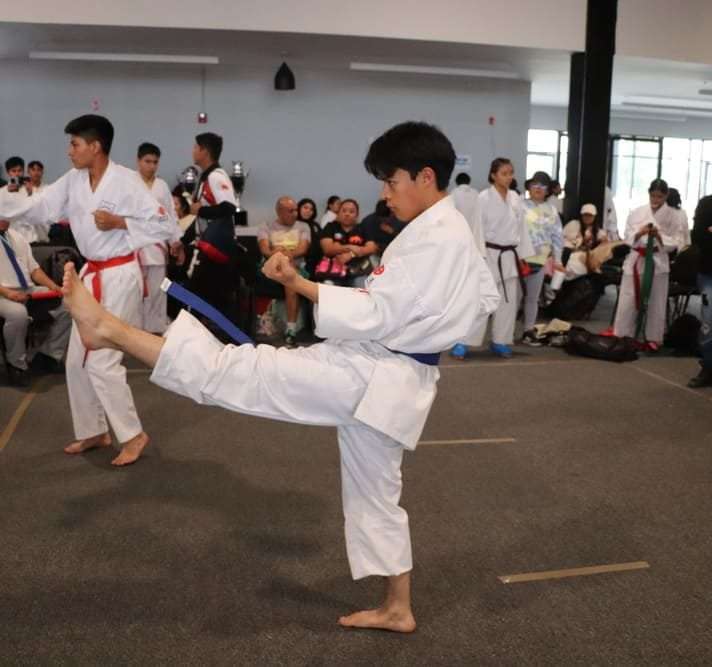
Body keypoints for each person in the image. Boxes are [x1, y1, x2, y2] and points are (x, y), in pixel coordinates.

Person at [60, 120, 499, 633]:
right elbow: (476, 299)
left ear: (425, 176)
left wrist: (300, 284)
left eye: (391, 181)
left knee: (242, 371)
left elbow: (382, 312)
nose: (385, 194)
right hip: (392, 377)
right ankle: (398, 607)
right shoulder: (446, 230)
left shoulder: (438, 238)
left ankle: (110, 330)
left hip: (373, 371)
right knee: (376, 494)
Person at [0, 114, 175, 465]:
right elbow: (39, 207)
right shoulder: (73, 180)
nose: (69, 151)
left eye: (75, 144)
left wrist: (120, 222)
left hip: (120, 275)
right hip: (91, 275)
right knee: (77, 359)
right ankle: (94, 430)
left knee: (102, 359)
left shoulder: (126, 181)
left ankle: (133, 435)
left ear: (95, 146)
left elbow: (165, 225)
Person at [451, 158, 533, 359]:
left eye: (511, 173)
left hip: (510, 255)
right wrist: (478, 256)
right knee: (482, 299)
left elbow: (521, 229)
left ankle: (500, 340)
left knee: (508, 302)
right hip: (488, 254)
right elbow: (477, 228)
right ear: (493, 175)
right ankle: (463, 341)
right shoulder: (483, 198)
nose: (508, 177)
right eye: (504, 173)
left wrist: (522, 256)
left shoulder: (515, 198)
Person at [612, 179, 682, 350]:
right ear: (649, 193)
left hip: (658, 259)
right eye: (653, 196)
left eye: (659, 196)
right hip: (637, 257)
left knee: (657, 300)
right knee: (628, 298)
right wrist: (639, 233)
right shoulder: (637, 212)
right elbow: (628, 236)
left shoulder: (674, 216)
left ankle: (654, 338)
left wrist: (658, 236)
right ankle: (622, 335)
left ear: (666, 196)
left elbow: (677, 241)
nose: (655, 199)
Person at [0, 218, 70, 385]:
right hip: (2, 293)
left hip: (27, 290)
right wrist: (8, 293)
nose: (6, 218)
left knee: (68, 306)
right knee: (18, 314)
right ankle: (17, 364)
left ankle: (49, 356)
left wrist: (53, 286)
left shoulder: (16, 236)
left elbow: (34, 270)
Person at [182, 132, 238, 314]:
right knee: (205, 298)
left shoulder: (216, 176)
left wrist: (200, 210)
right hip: (206, 247)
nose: (192, 151)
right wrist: (182, 241)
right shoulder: (206, 177)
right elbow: (201, 221)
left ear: (204, 151)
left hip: (214, 250)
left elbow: (229, 207)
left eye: (195, 147)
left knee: (204, 299)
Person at [135, 142, 184, 334]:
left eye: (155, 162)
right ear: (138, 161)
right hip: (133, 248)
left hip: (156, 248)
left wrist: (175, 241)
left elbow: (171, 216)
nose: (152, 166)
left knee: (157, 293)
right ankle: (133, 331)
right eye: (147, 161)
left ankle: (155, 331)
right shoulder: (128, 183)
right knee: (134, 293)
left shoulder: (162, 186)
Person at [257, 196, 311, 347]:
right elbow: (265, 249)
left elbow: (303, 249)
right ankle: (286, 328)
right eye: (290, 211)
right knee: (285, 271)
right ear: (279, 211)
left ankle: (291, 329)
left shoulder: (303, 227)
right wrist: (277, 254)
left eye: (295, 210)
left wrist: (286, 254)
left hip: (296, 268)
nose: (295, 214)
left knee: (290, 276)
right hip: (271, 267)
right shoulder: (266, 226)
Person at [520, 172, 564, 346]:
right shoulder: (519, 206)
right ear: (529, 187)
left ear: (548, 190)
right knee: (512, 299)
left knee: (532, 298)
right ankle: (502, 335)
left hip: (539, 260)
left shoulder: (552, 210)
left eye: (542, 185)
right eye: (535, 184)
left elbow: (557, 237)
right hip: (518, 259)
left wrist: (558, 261)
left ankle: (528, 331)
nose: (538, 188)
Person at [319, 199, 378, 286]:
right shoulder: (330, 227)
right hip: (333, 273)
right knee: (328, 289)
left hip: (359, 272)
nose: (347, 214)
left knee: (363, 288)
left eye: (351, 211)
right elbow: (327, 249)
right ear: (338, 213)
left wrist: (350, 254)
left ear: (357, 215)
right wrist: (350, 247)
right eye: (344, 211)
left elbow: (371, 248)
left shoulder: (363, 228)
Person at [688, 195, 712, 387]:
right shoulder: (706, 204)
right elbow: (698, 235)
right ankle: (709, 366)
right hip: (709, 272)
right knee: (709, 321)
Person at [0, 157, 49, 245]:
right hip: (11, 237)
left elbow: (39, 213)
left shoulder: (31, 190)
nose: (17, 174)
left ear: (23, 171)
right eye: (13, 171)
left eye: (20, 170)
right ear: (8, 172)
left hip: (31, 238)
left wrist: (30, 194)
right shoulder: (2, 192)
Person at [451, 172, 483, 253]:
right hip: (474, 234)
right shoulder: (476, 193)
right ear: (469, 181)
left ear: (456, 182)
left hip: (458, 233)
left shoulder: (453, 193)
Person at [296, 197, 322, 279]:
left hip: (316, 264)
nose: (308, 211)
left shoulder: (315, 225)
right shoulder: (293, 224)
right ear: (299, 208)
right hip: (299, 262)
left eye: (311, 209)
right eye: (305, 208)